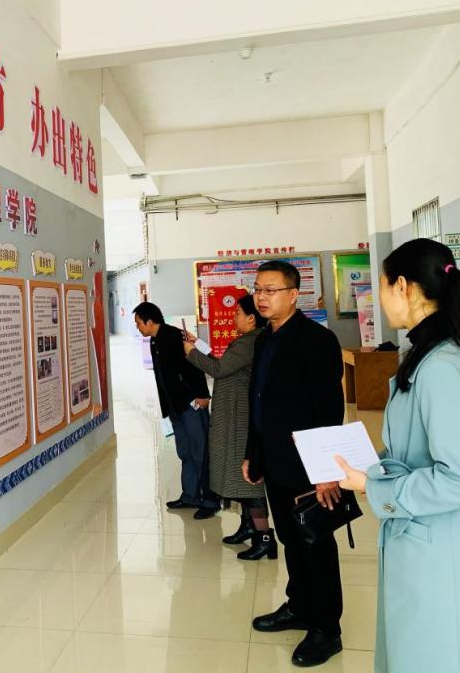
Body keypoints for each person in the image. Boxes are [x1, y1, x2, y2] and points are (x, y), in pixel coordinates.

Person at [335, 239, 460, 672]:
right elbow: (416, 449)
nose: (380, 297)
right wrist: (366, 467)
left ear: (403, 286)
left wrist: (374, 486)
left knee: (442, 655)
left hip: (444, 552)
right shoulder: (429, 354)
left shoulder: (442, 366)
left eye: (381, 285)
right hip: (429, 539)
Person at [242, 260, 345, 667]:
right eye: (257, 289)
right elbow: (258, 401)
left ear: (293, 295)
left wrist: (326, 471)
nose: (261, 297)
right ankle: (299, 605)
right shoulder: (263, 340)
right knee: (289, 537)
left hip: (308, 465)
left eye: (271, 290)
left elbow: (329, 409)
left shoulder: (317, 340)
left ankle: (327, 629)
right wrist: (253, 453)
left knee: (316, 542)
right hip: (275, 460)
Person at [183, 293, 276, 559]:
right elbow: (225, 363)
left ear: (251, 318)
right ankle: (248, 526)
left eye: (237, 313)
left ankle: (265, 537)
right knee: (239, 477)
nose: (233, 317)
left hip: (240, 420)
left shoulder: (251, 341)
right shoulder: (250, 340)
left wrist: (190, 353)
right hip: (234, 417)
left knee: (249, 481)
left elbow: (219, 369)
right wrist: (198, 345)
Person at [134, 301, 218, 518]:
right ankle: (190, 495)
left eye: (138, 323)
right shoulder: (154, 340)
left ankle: (210, 500)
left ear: (149, 321)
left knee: (201, 452)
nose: (137, 327)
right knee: (185, 452)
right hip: (175, 407)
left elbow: (193, 367)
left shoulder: (174, 336)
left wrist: (202, 395)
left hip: (192, 403)